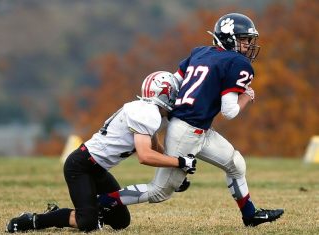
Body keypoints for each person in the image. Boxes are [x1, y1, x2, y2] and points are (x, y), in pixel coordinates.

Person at [97, 13, 284, 227]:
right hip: (187, 132)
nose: (248, 45)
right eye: (244, 39)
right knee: (159, 192)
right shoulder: (237, 62)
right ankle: (101, 203)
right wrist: (246, 96)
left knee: (235, 164)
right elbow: (229, 111)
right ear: (229, 39)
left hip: (195, 128)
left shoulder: (200, 52)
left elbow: (173, 81)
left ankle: (250, 216)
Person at [5, 71, 197, 233]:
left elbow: (154, 145)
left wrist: (173, 172)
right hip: (80, 166)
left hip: (97, 169)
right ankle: (33, 220)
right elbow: (145, 156)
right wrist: (180, 162)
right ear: (166, 95)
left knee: (121, 221)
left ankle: (81, 210)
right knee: (87, 223)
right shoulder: (147, 114)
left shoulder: (148, 112)